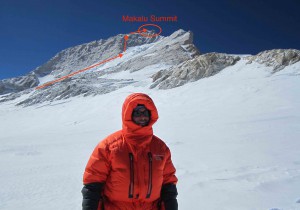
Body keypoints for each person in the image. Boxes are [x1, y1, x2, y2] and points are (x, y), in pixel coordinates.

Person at [82, 93, 178, 210]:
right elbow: (92, 184)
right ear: (128, 114)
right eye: (137, 113)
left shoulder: (161, 148)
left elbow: (168, 185)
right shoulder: (109, 147)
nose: (142, 117)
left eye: (145, 112)